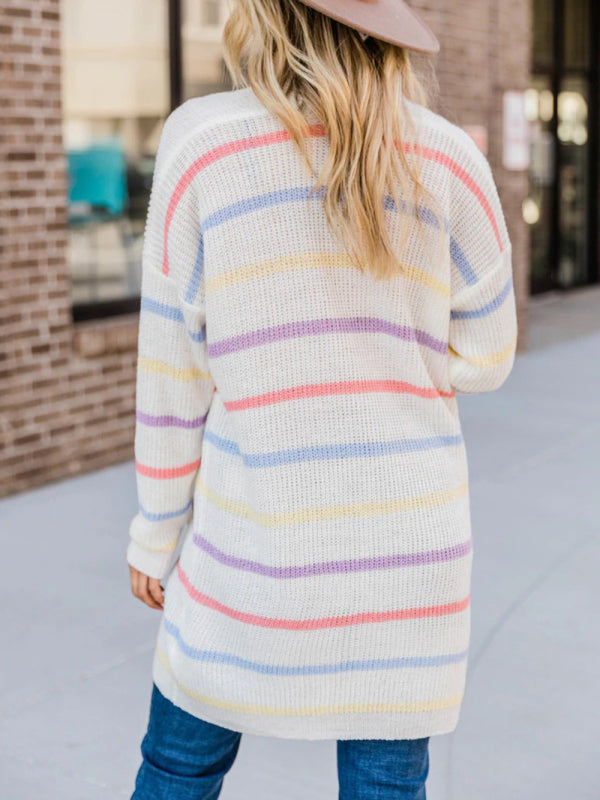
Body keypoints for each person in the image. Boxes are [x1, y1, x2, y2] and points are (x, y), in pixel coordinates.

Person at [126, 0, 518, 797]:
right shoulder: (446, 158)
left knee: (178, 766)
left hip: (250, 556)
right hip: (410, 560)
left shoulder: (201, 145)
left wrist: (153, 534)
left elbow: (174, 375)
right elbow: (488, 355)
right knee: (385, 785)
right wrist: (387, 360)